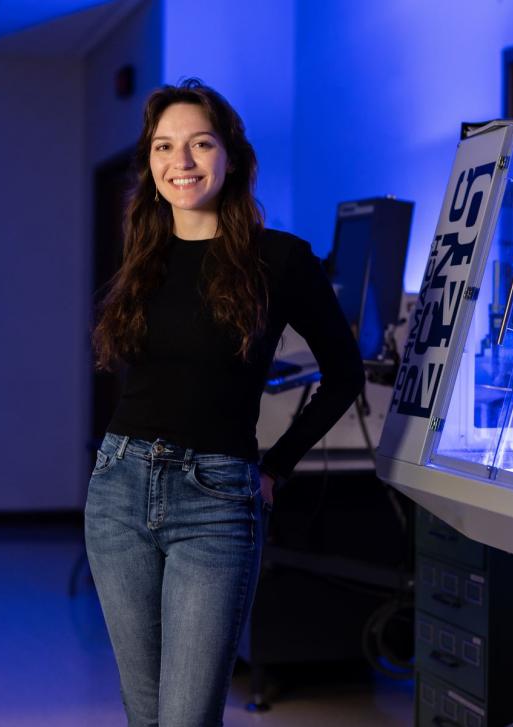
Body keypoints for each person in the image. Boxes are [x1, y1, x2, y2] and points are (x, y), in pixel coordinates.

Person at [86, 78, 365, 727]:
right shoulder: (145, 257)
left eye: (199, 143)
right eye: (164, 146)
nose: (179, 162)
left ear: (231, 156)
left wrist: (280, 462)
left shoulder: (280, 259)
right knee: (146, 714)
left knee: (186, 718)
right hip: (119, 489)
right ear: (149, 162)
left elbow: (345, 371)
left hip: (216, 502)